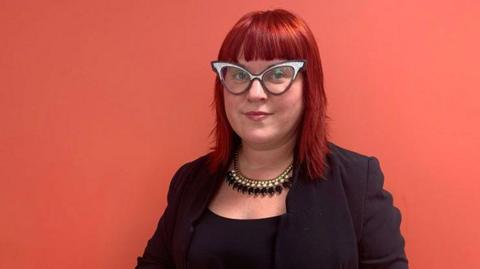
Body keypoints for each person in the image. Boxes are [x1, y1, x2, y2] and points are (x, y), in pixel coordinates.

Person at [135, 9, 408, 269]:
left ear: (309, 86)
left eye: (277, 74)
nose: (255, 92)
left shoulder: (357, 182)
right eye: (239, 74)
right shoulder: (189, 180)